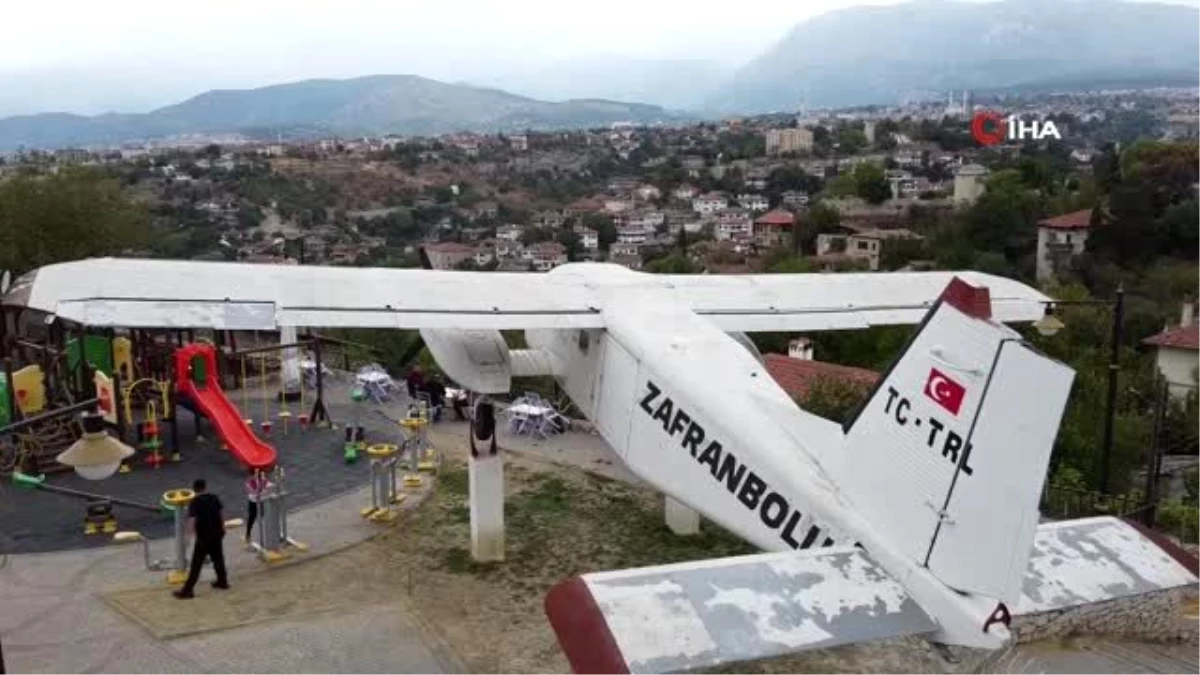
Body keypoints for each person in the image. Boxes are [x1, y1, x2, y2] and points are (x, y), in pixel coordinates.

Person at [173, 478, 229, 598]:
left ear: (194, 489)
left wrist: (190, 536)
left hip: (204, 536)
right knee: (218, 558)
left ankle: (188, 590)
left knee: (196, 564)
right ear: (205, 487)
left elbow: (192, 520)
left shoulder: (195, 502)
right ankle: (223, 581)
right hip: (217, 533)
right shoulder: (214, 497)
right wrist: (223, 527)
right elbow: (221, 513)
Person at [244, 472, 272, 545]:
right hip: (253, 502)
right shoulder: (251, 482)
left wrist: (267, 487)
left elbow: (270, 486)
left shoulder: (264, 481)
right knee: (252, 517)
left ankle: (265, 533)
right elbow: (251, 490)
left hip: (261, 501)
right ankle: (248, 534)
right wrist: (259, 490)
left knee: (264, 516)